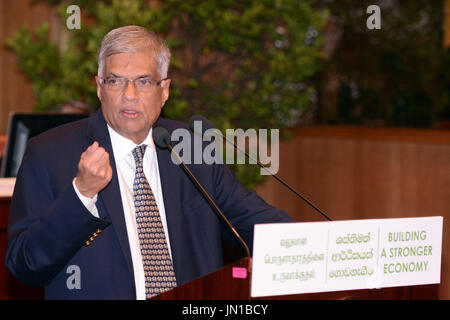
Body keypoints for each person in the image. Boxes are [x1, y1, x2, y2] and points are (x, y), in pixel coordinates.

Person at [5, 25, 293, 300]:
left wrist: (316, 249)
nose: (129, 95)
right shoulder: (49, 154)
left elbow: (256, 223)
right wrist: (82, 194)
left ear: (164, 90)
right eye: (115, 81)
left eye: (143, 81)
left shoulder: (191, 147)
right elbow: (25, 265)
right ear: (99, 88)